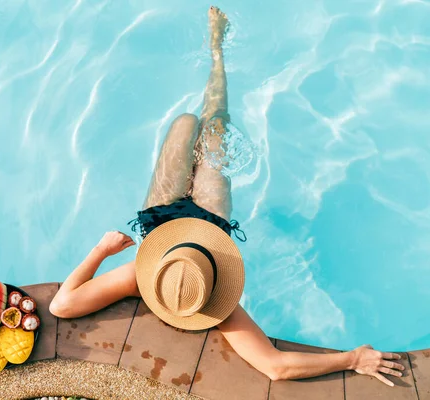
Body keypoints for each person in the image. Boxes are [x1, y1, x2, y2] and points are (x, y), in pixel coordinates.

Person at [49, 6, 405, 386]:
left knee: (185, 123)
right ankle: (218, 52)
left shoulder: (142, 275)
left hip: (160, 221)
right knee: (215, 127)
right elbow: (275, 367)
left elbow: (61, 305)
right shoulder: (214, 299)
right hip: (209, 222)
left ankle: (215, 53)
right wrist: (352, 358)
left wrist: (101, 251)